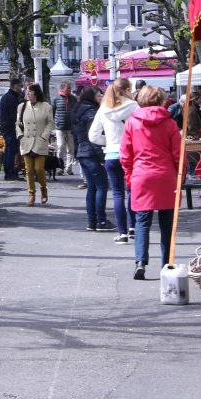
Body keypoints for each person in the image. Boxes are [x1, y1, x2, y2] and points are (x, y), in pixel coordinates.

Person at [120, 85, 182, 280]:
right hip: (166, 176)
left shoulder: (131, 123)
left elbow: (126, 155)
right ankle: (167, 263)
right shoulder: (170, 123)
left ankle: (140, 261)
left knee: (142, 222)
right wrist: (181, 175)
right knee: (167, 223)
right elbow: (178, 154)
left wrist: (129, 177)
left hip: (142, 175)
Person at [89, 78, 139, 243]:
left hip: (111, 154)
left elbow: (93, 136)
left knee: (118, 194)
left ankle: (122, 233)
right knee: (131, 191)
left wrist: (109, 142)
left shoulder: (103, 109)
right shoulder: (134, 107)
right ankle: (133, 228)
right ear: (127, 90)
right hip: (130, 154)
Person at [72, 87, 116, 231]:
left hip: (83, 154)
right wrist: (102, 157)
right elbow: (94, 138)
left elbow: (76, 136)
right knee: (101, 187)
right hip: (92, 153)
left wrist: (76, 153)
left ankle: (92, 221)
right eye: (98, 95)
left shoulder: (77, 110)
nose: (101, 97)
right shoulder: (91, 112)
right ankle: (101, 221)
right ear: (91, 97)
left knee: (92, 188)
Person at [16, 83, 53, 206]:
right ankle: (31, 194)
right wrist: (20, 136)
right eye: (26, 91)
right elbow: (18, 123)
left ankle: (43, 188)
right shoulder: (21, 107)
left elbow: (50, 123)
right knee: (29, 170)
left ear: (36, 93)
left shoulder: (46, 106)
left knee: (39, 168)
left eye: (29, 91)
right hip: (26, 141)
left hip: (39, 141)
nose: (27, 93)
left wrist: (44, 136)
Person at [52, 80, 78, 175]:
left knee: (71, 148)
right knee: (60, 146)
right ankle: (60, 166)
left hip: (71, 127)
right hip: (60, 127)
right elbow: (53, 112)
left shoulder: (73, 99)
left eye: (70, 88)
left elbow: (75, 112)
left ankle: (69, 167)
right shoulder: (56, 99)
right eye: (68, 88)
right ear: (62, 88)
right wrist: (53, 124)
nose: (70, 90)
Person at [0, 78, 23, 181]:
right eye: (20, 86)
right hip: (10, 127)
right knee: (11, 150)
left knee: (9, 149)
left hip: (6, 126)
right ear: (15, 86)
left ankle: (9, 171)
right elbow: (14, 114)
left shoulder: (6, 97)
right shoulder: (12, 98)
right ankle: (10, 172)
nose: (21, 89)